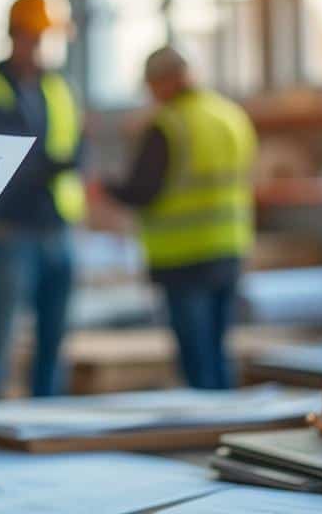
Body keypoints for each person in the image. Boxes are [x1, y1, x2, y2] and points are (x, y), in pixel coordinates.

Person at [94, 46, 255, 390]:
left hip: (184, 257)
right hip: (229, 247)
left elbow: (143, 190)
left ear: (164, 81)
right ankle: (225, 417)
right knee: (218, 349)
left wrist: (105, 188)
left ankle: (206, 425)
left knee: (195, 358)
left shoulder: (169, 125)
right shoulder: (231, 116)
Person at [0, 0, 84, 400]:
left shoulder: (60, 87)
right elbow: (7, 156)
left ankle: (46, 417)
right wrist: (49, 163)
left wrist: (44, 162)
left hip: (57, 227)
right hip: (8, 231)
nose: (44, 48)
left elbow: (74, 150)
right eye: (37, 38)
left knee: (54, 337)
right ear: (18, 36)